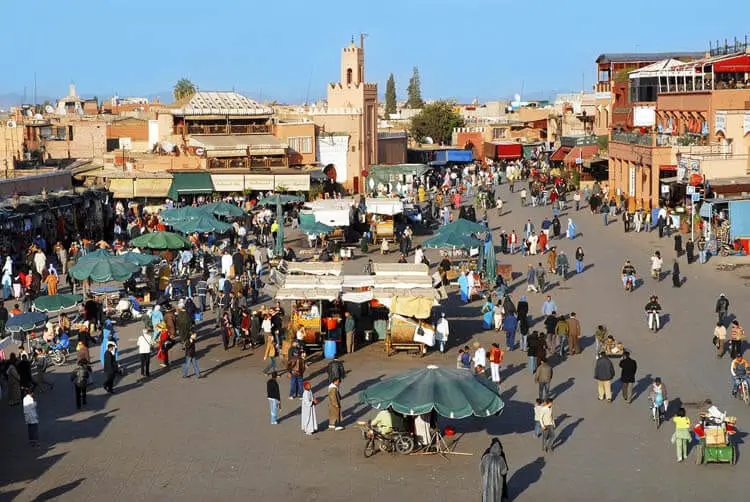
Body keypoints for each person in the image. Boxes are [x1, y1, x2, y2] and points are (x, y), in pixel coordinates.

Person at [480, 438, 509, 502]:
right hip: (497, 482)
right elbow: (504, 471)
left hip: (487, 480)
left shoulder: (486, 455)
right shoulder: (501, 457)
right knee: (497, 495)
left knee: (486, 493)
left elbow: (481, 467)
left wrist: (484, 475)